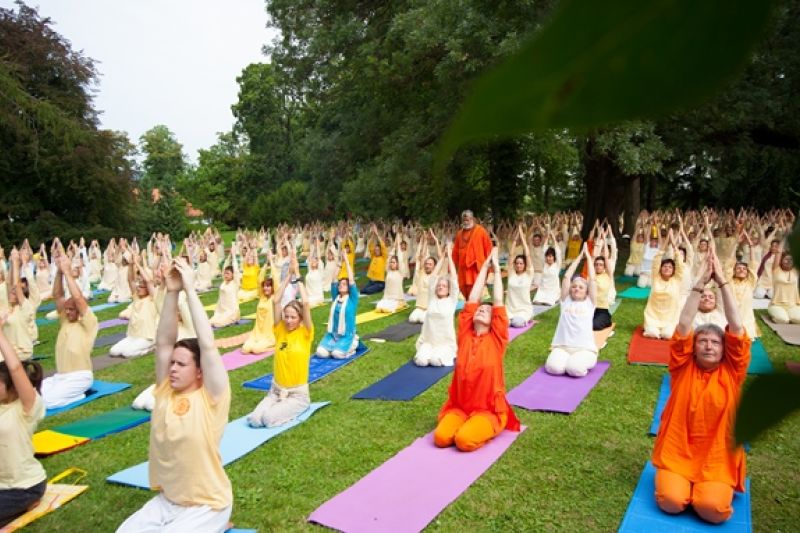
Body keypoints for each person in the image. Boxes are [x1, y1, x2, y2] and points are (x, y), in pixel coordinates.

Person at [117, 258, 232, 532]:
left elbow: (208, 345)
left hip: (208, 503)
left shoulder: (211, 397)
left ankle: (218, 523)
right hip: (168, 500)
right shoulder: (165, 391)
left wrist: (190, 290)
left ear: (200, 370)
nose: (173, 368)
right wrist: (171, 291)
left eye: (181, 364)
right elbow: (164, 342)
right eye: (172, 363)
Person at [652, 250, 750, 524]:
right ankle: (682, 485)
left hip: (717, 458)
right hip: (678, 452)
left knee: (712, 510)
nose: (708, 345)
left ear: (724, 349)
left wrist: (722, 282)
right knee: (671, 503)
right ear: (693, 348)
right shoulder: (683, 367)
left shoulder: (733, 371)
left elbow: (737, 326)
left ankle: (706, 490)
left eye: (715, 342)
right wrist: (698, 285)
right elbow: (684, 323)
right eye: (702, 341)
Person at [434, 247, 520, 452]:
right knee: (441, 438)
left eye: (487, 311)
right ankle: (464, 423)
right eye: (481, 309)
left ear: (494, 321)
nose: (482, 309)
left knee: (464, 441)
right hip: (460, 407)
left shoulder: (497, 339)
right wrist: (483, 267)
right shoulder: (465, 334)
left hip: (487, 410)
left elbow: (498, 301)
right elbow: (473, 299)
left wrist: (497, 270)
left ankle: (488, 425)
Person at [247, 261, 314, 427]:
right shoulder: (280, 329)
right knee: (255, 421)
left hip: (297, 394)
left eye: (293, 317)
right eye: (287, 316)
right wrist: (288, 276)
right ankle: (278, 406)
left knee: (268, 419)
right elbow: (276, 301)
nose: (289, 320)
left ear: (300, 319)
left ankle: (299, 406)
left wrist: (298, 276)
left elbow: (305, 304)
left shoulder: (306, 333)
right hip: (276, 391)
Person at [0, 322, 46, 528]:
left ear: (11, 386)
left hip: (24, 486)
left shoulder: (27, 407)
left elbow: (16, 368)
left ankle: (29, 502)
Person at [41, 255, 97, 409]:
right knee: (33, 395)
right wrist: (59, 272)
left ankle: (79, 395)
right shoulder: (65, 321)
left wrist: (67, 272)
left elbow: (78, 298)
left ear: (79, 311)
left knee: (48, 402)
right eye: (66, 309)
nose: (67, 312)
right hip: (60, 377)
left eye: (71, 310)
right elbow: (58, 295)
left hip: (80, 376)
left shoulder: (89, 323)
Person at [544, 244, 598, 377]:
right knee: (553, 368)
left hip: (584, 349)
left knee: (574, 370)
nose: (577, 289)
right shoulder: (565, 301)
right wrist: (579, 257)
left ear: (586, 292)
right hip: (562, 347)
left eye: (581, 287)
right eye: (574, 287)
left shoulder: (590, 303)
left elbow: (593, 280)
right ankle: (567, 361)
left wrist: (589, 258)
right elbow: (567, 277)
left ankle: (578, 362)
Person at [414, 243, 459, 367]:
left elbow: (454, 280)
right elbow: (434, 276)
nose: (440, 287)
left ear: (449, 290)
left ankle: (441, 354)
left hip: (445, 343)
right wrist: (442, 257)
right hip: (429, 342)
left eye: (444, 286)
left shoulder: (451, 301)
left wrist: (449, 257)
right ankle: (427, 352)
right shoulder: (432, 299)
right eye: (439, 285)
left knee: (435, 361)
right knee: (421, 362)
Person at [110, 255, 158, 358]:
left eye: (141, 286)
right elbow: (130, 280)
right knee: (113, 351)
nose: (138, 288)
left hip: (147, 337)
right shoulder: (136, 297)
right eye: (138, 285)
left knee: (128, 353)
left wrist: (137, 263)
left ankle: (152, 348)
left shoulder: (153, 298)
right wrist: (131, 264)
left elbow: (149, 281)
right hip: (133, 336)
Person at [316, 250, 360, 359]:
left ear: (349, 288)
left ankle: (351, 349)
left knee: (337, 354)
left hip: (346, 336)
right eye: (340, 284)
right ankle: (335, 347)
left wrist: (347, 261)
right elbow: (334, 279)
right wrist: (340, 262)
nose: (341, 285)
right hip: (333, 335)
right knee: (321, 353)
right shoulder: (336, 297)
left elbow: (351, 280)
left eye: (344, 284)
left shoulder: (352, 299)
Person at [642, 230, 685, 339]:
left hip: (670, 318)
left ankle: (664, 330)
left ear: (673, 270)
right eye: (665, 266)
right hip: (653, 316)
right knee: (653, 334)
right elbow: (657, 259)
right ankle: (651, 328)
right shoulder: (655, 278)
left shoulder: (676, 279)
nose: (667, 268)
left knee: (667, 335)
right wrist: (666, 241)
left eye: (670, 267)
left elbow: (679, 263)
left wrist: (674, 246)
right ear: (660, 269)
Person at [451, 210, 493, 299]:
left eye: (468, 219)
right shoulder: (459, 234)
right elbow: (455, 252)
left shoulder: (481, 231)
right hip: (463, 269)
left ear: (472, 219)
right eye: (464, 219)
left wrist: (490, 270)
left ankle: (476, 308)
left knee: (477, 291)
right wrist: (451, 268)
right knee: (465, 291)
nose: (466, 221)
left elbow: (488, 250)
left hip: (476, 267)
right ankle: (469, 307)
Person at [505, 225, 534, 328]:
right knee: (504, 323)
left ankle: (526, 318)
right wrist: (515, 239)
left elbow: (528, 255)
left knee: (516, 323)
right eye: (517, 263)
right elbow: (511, 255)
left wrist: (522, 237)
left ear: (525, 265)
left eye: (521, 263)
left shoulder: (529, 274)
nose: (518, 265)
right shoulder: (511, 273)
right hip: (509, 309)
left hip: (523, 309)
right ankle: (510, 318)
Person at [241, 276, 276, 355]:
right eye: (264, 286)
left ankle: (273, 347)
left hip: (269, 335)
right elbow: (259, 280)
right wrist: (266, 265)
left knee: (256, 350)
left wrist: (272, 264)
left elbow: (276, 279)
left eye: (268, 286)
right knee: (244, 350)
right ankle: (258, 342)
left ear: (273, 287)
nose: (265, 288)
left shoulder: (275, 299)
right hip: (257, 334)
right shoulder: (262, 298)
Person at [767, 242, 800, 324]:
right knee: (783, 320)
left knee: (798, 320)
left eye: (791, 259)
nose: (788, 261)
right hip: (777, 304)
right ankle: (778, 314)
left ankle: (789, 314)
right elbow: (778, 253)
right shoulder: (776, 270)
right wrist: (785, 237)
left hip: (793, 305)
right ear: (781, 261)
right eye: (786, 259)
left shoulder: (795, 271)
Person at [209, 244, 241, 328]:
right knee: (210, 322)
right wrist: (229, 256)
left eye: (228, 273)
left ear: (233, 275)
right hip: (221, 311)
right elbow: (224, 268)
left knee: (217, 324)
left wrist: (233, 256)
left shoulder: (235, 283)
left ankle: (234, 320)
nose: (226, 275)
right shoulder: (224, 282)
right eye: (225, 273)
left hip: (232, 312)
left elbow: (236, 270)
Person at [532, 230, 562, 306]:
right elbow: (544, 250)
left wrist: (554, 238)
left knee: (548, 303)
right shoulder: (544, 264)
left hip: (553, 290)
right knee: (536, 302)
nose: (549, 258)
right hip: (543, 289)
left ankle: (556, 297)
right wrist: (548, 237)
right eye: (547, 256)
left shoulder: (557, 264)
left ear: (554, 257)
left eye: (551, 256)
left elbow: (558, 252)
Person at [361, 224, 387, 295]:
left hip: (379, 282)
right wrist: (373, 234)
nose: (376, 251)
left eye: (378, 250)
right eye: (375, 250)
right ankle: (373, 288)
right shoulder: (373, 256)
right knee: (362, 291)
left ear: (380, 250)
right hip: (371, 281)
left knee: (368, 291)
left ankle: (380, 288)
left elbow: (383, 246)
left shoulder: (383, 257)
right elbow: (370, 245)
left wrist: (377, 234)